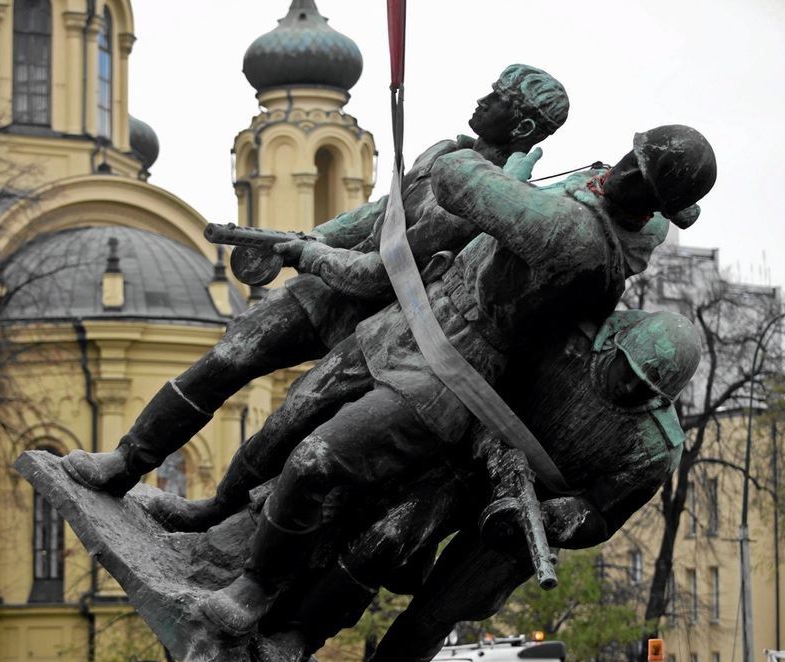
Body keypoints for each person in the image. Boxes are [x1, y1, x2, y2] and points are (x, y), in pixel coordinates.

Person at [197, 126, 717, 640]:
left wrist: (509, 174)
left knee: (316, 460)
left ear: (652, 207)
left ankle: (257, 587)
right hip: (409, 319)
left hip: (452, 367)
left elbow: (454, 179)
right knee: (292, 415)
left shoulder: (575, 233)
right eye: (630, 156)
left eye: (638, 177)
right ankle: (218, 516)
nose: (620, 169)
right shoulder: (627, 220)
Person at [59, 65, 570, 503]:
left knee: (290, 425)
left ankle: (218, 514)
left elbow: (382, 271)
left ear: (522, 125)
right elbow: (377, 216)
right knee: (230, 356)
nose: (483, 100)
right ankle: (126, 464)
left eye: (498, 99)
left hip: (386, 324)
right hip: (329, 286)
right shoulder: (445, 151)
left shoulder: (488, 199)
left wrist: (306, 253)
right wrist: (304, 238)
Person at [333, 309, 703, 662]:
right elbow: (493, 373)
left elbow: (603, 514)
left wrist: (556, 517)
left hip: (524, 528)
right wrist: (493, 447)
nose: (630, 385)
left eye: (645, 387)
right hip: (469, 461)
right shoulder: (571, 333)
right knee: (385, 537)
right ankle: (309, 626)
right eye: (629, 369)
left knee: (438, 611)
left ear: (661, 397)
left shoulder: (658, 446)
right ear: (615, 345)